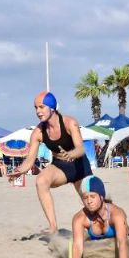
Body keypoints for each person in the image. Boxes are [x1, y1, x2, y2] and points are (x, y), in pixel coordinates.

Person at [8, 91, 92, 235]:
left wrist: (70, 154)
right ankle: (53, 227)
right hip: (61, 167)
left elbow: (80, 149)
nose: (38, 111)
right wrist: (20, 170)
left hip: (80, 167)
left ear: (52, 108)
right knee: (41, 181)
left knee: (93, 204)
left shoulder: (69, 123)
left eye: (41, 107)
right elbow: (30, 159)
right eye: (35, 108)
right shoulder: (39, 132)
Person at [61, 175, 129, 258]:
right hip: (99, 246)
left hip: (119, 244)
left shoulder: (116, 214)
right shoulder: (79, 218)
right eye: (85, 198)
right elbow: (77, 245)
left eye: (92, 196)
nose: (89, 201)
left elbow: (121, 240)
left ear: (101, 196)